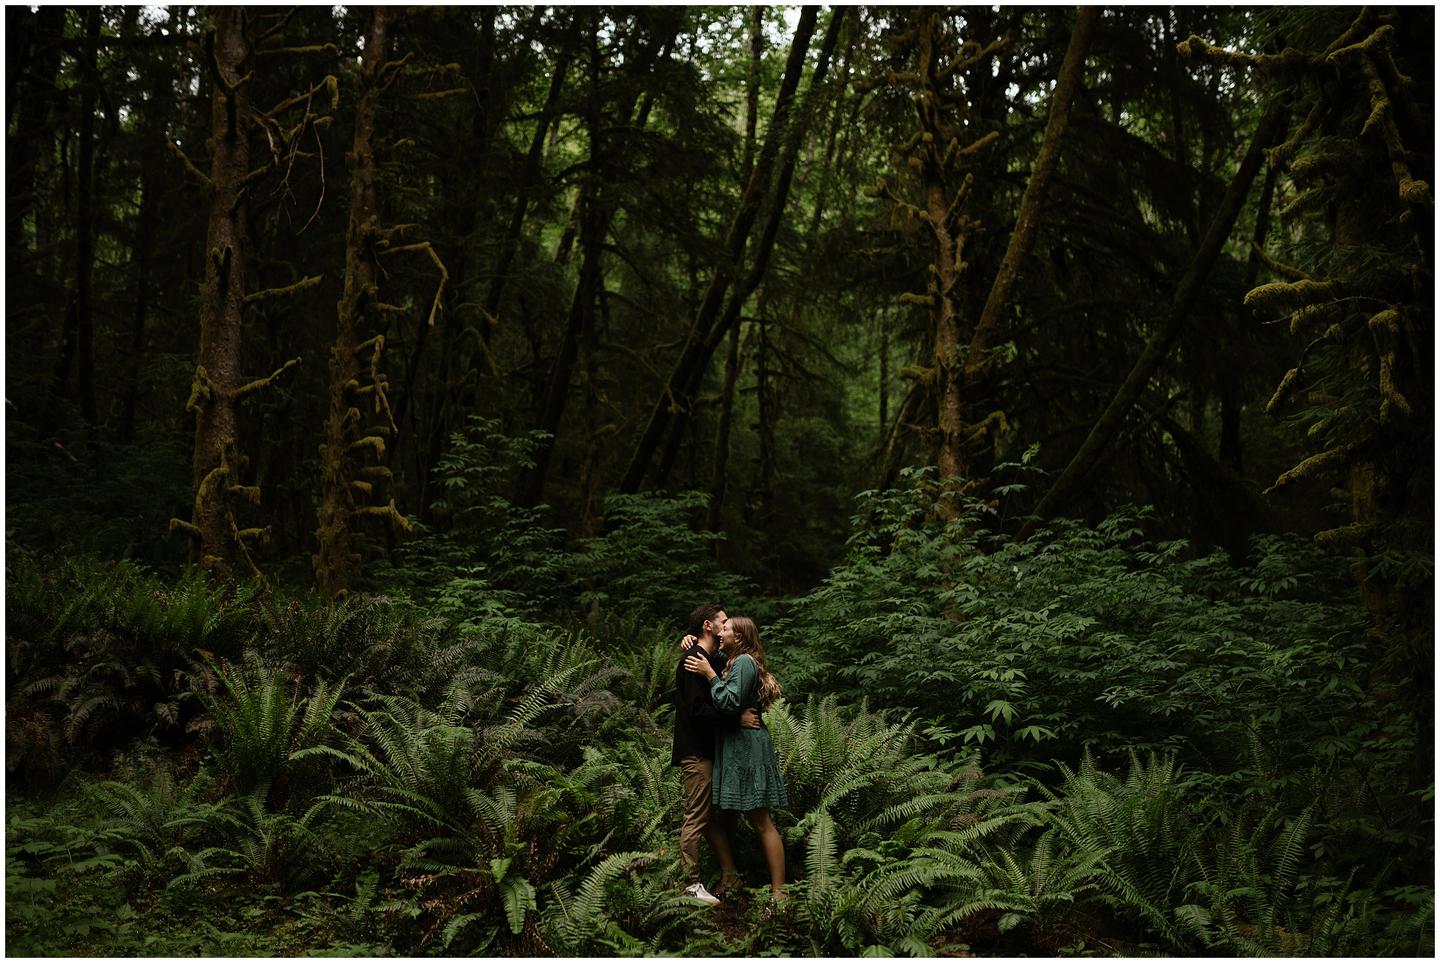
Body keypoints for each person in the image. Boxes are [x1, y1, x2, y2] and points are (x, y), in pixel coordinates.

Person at [683, 615, 788, 903]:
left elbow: (729, 701)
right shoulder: (732, 660)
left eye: (726, 629)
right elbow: (707, 652)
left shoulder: (743, 663)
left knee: (761, 820)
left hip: (747, 749)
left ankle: (780, 892)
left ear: (738, 638)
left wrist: (709, 674)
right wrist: (689, 639)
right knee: (719, 814)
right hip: (734, 747)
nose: (721, 633)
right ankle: (731, 874)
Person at [672, 603, 761, 904]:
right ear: (708, 626)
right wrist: (737, 720)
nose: (726, 627)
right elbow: (698, 711)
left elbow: (737, 665)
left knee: (710, 817)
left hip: (708, 751)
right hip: (696, 752)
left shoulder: (709, 658)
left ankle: (729, 873)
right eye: (723, 623)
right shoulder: (694, 660)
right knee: (697, 817)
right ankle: (690, 885)